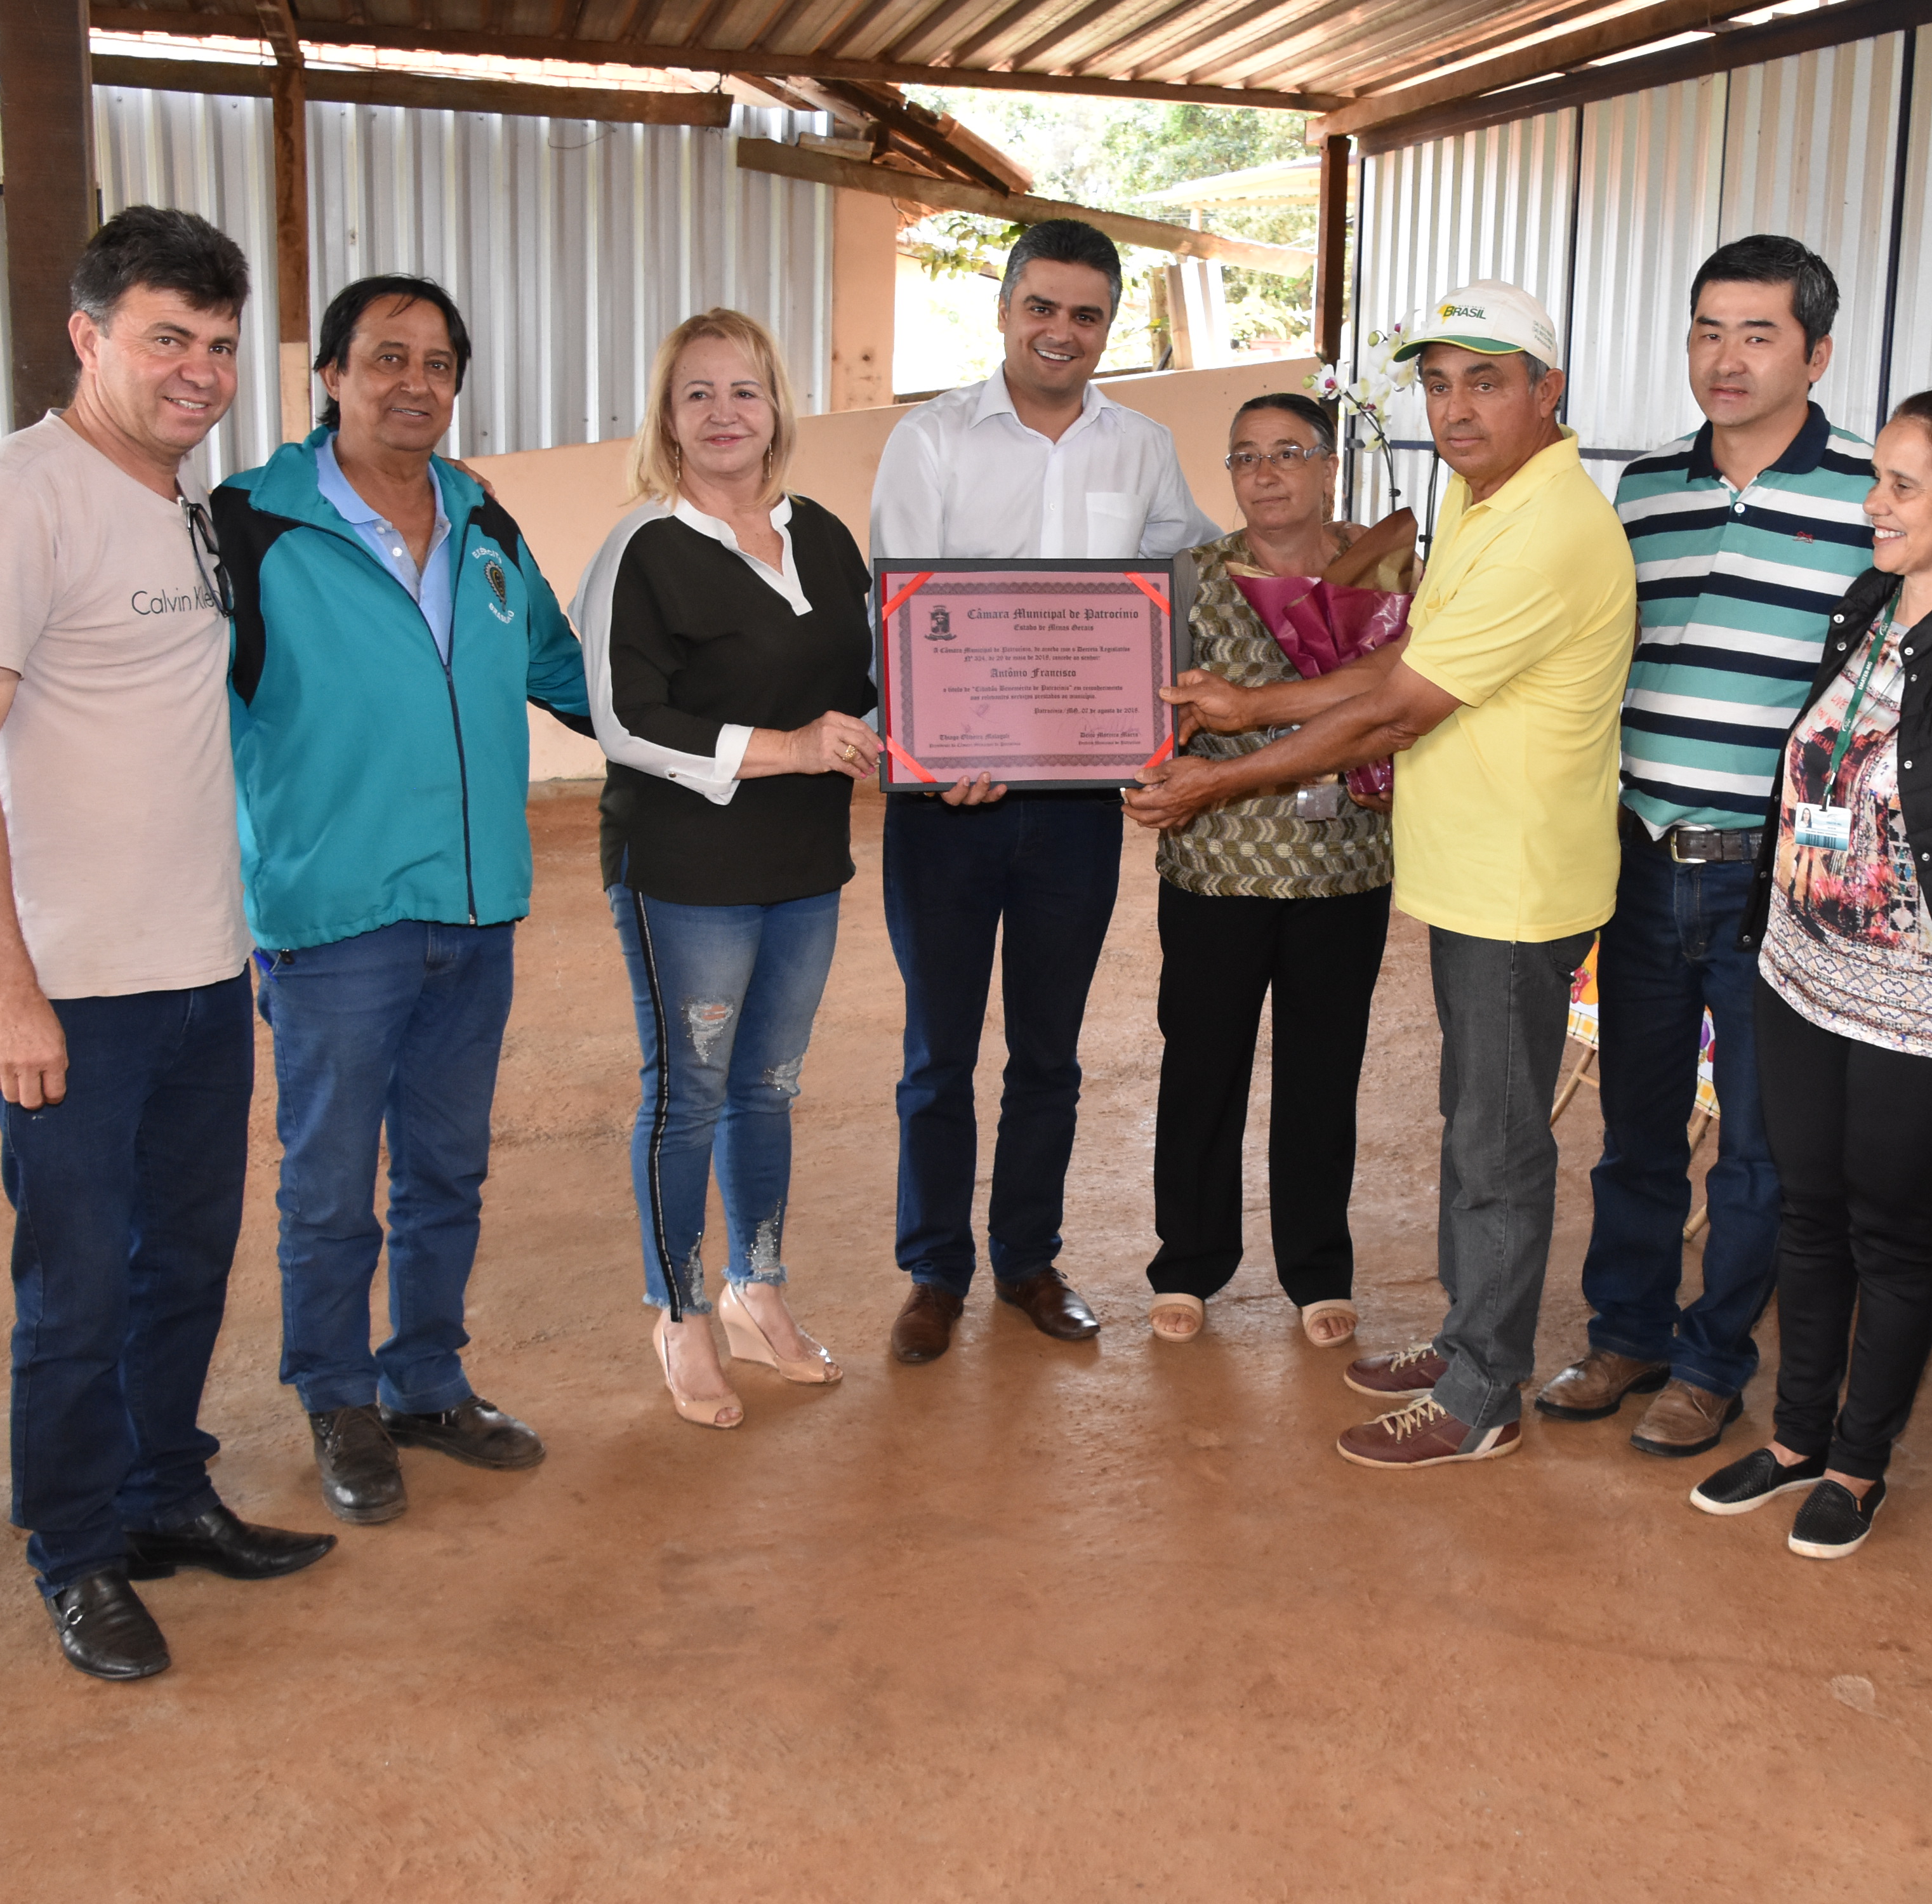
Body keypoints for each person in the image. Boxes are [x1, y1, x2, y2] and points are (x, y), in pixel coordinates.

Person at [0, 207, 335, 1682]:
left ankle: (163, 1495)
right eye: (169, 338)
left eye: (220, 347)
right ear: (89, 337)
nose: (200, 371)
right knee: (78, 1282)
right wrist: (8, 988)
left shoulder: (175, 501)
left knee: (186, 1264)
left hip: (198, 970)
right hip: (67, 993)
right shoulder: (9, 500)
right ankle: (76, 1550)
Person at [1128, 281, 1636, 1468]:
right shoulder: (1477, 502)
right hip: (1463, 879)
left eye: (1487, 381)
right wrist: (1251, 705)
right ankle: (1470, 1341)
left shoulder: (1550, 527)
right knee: (1473, 1129)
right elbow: (1409, 655)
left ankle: (1482, 1392)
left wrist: (1219, 774)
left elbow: (1395, 712)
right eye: (1438, 383)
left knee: (1499, 1147)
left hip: (1515, 887)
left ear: (1547, 392)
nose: (1456, 409)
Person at [1684, 386, 1932, 1559]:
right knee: (1808, 1216)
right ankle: (1800, 1436)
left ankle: (1859, 1466)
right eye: (1880, 478)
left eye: (1904, 486)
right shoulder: (1868, 603)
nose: (1875, 505)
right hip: (1807, 976)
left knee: (1889, 1233)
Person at [214, 274, 592, 1524]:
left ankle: (426, 1379)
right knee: (328, 1182)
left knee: (446, 1169)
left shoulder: (484, 522)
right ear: (328, 376)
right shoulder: (249, 529)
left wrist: (724, 737)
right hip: (333, 919)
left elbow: (559, 668)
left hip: (474, 910)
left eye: (436, 362)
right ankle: (336, 1396)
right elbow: (176, 715)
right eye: (385, 358)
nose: (413, 383)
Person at [1535, 235, 1879, 1461]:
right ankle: (1622, 1332)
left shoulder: (1868, 494)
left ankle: (1711, 1360)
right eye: (1706, 332)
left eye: (1759, 335)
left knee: (1756, 1147)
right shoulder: (1643, 489)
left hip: (1773, 877)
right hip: (1636, 858)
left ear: (1817, 353)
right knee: (1633, 1126)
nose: (1725, 360)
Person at [867, 218, 1219, 1365]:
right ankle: (935, 1272)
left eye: (1087, 315)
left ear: (1111, 326)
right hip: (948, 805)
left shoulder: (1143, 446)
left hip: (1076, 811)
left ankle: (1026, 1258)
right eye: (1042, 307)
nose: (1061, 332)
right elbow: (907, 614)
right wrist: (929, 739)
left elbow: (1192, 572)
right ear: (1005, 308)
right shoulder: (928, 440)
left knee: (1051, 1053)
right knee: (939, 1051)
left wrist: (1313, 567)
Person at [569, 310, 877, 1427]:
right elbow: (622, 717)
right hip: (686, 866)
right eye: (697, 393)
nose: (722, 413)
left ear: (777, 408)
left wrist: (941, 736)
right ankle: (682, 1312)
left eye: (743, 390)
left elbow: (880, 672)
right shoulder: (641, 550)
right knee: (690, 1090)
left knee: (770, 1088)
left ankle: (759, 1291)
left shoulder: (827, 537)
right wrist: (789, 749)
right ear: (667, 416)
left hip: (805, 861)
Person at [1144, 392, 1399, 1350]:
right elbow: (1148, 710)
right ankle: (1189, 1264)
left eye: (1288, 452)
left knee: (1322, 1075)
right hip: (1215, 866)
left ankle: (1316, 1269)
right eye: (1245, 456)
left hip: (1346, 866)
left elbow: (1415, 691)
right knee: (1201, 1068)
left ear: (1330, 466)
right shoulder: (1191, 579)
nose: (1264, 473)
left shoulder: (1385, 573)